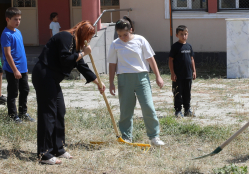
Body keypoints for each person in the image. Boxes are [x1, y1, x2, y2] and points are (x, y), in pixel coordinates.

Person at [32, 20, 101, 165]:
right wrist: (83, 53)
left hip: (53, 79)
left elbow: (80, 64)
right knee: (48, 113)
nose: (88, 40)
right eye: (89, 37)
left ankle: (58, 148)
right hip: (44, 75)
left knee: (59, 111)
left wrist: (98, 83)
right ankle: (44, 154)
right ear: (83, 33)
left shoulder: (75, 44)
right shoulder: (66, 37)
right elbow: (65, 60)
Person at [108, 16, 165, 146]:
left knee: (148, 107)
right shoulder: (115, 44)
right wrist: (111, 82)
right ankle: (126, 136)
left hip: (142, 78)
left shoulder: (141, 40)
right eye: (119, 35)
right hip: (124, 79)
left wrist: (158, 76)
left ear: (131, 30)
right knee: (126, 110)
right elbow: (112, 64)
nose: (122, 37)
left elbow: (150, 59)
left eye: (125, 34)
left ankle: (154, 137)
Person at [1, 7, 33, 123]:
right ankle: (12, 116)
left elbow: (20, 51)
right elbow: (8, 54)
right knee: (13, 93)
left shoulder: (18, 32)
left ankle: (23, 113)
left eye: (19, 19)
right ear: (7, 19)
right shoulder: (6, 34)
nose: (18, 22)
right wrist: (15, 70)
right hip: (12, 70)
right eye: (15, 19)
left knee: (25, 90)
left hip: (22, 69)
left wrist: (24, 67)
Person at [169, 24, 196, 117]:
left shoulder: (189, 46)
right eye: (181, 34)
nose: (183, 36)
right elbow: (170, 60)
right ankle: (178, 111)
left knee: (187, 93)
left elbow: (192, 59)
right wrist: (172, 73)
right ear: (177, 35)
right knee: (177, 93)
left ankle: (187, 110)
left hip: (188, 75)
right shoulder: (175, 47)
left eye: (185, 34)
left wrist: (194, 71)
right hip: (178, 76)